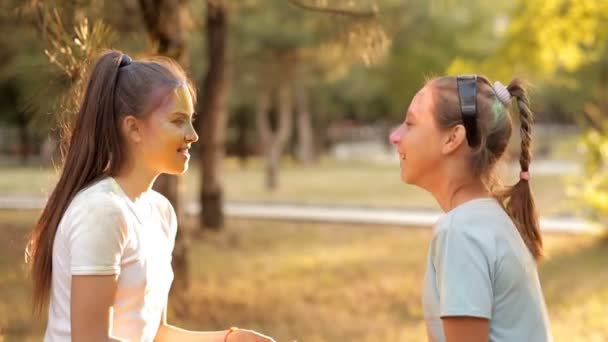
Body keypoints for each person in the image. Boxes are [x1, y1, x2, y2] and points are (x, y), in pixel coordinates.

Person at [27, 50, 275, 342]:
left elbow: (154, 333)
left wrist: (230, 340)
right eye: (178, 120)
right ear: (133, 128)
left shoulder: (161, 212)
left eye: (191, 120)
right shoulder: (101, 212)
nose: (193, 134)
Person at [389, 75, 552, 341]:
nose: (395, 136)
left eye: (410, 123)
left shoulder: (461, 232)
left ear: (453, 138)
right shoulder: (487, 218)